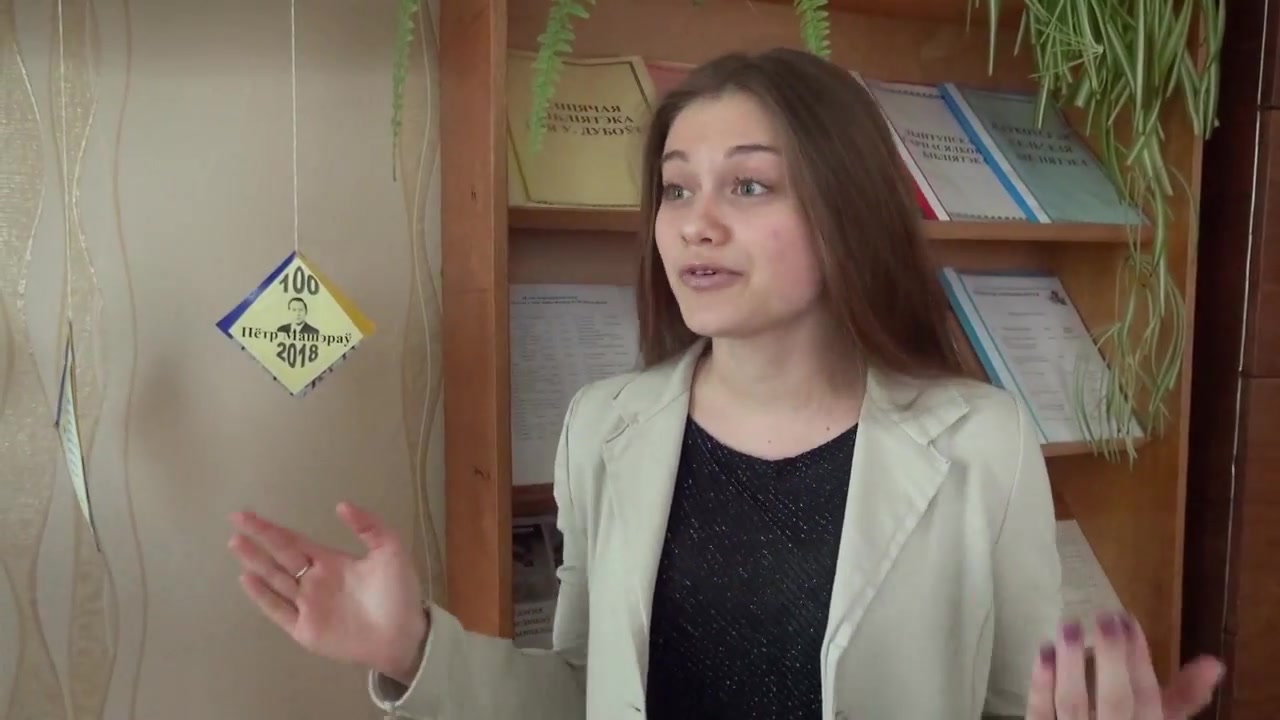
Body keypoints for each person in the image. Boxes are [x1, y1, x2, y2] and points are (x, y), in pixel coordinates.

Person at [226, 48, 1225, 719]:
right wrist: (411, 646)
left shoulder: (980, 439)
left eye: (748, 185)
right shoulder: (603, 426)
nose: (694, 223)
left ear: (844, 210)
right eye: (675, 188)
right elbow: (584, 693)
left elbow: (1017, 703)